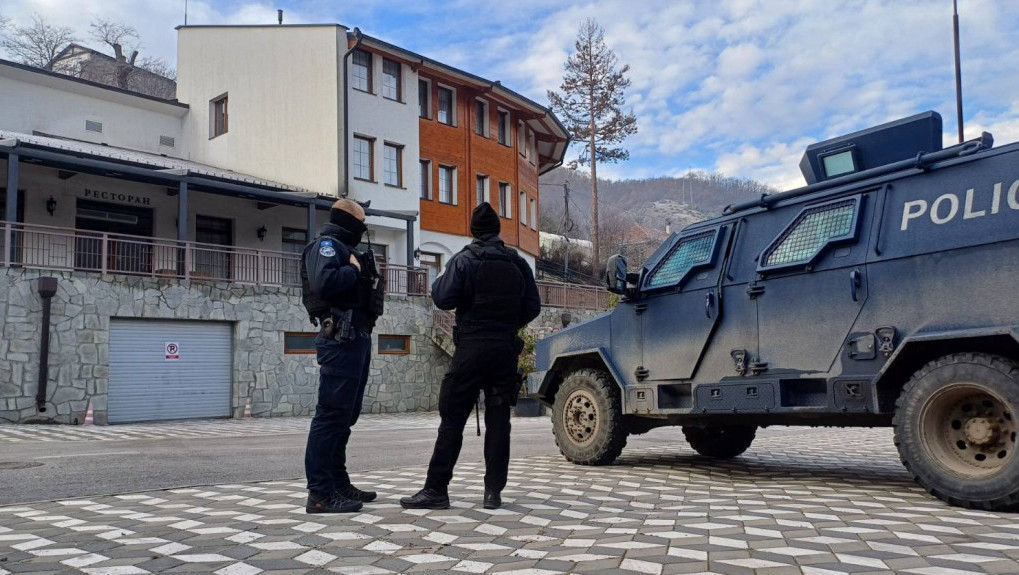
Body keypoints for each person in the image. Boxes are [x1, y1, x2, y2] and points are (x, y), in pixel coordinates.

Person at [401, 202, 541, 510]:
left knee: (452, 419)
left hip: (471, 349)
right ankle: (493, 492)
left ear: (473, 230)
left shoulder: (464, 260)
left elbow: (442, 297)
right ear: (497, 230)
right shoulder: (517, 263)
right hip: (504, 350)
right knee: (499, 421)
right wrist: (508, 325)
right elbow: (533, 306)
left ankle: (436, 490)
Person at [301, 198, 385, 513]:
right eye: (360, 223)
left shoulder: (342, 247)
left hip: (355, 336)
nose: (362, 229)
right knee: (330, 416)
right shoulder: (326, 246)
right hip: (340, 336)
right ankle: (320, 494)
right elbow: (325, 284)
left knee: (345, 417)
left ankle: (338, 483)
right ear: (348, 221)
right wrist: (352, 270)